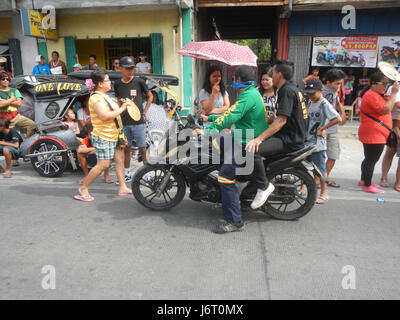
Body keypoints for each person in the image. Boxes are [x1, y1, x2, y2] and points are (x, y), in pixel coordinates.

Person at [195, 65, 271, 234]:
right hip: (240, 136)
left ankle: (235, 221)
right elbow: (231, 113)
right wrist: (210, 118)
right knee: (219, 142)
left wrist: (207, 130)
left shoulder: (248, 96)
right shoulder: (249, 93)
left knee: (224, 177)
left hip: (244, 142)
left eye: (234, 78)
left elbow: (231, 116)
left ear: (238, 80)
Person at [246, 60, 309, 207]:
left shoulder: (286, 91)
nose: (270, 75)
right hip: (293, 135)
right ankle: (256, 184)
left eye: (272, 73)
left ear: (279, 74)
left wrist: (259, 139)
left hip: (288, 139)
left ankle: (263, 187)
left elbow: (281, 120)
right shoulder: (292, 89)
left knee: (251, 149)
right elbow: (283, 116)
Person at [74, 69, 131, 201]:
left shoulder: (107, 96)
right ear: (100, 83)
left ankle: (123, 187)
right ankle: (83, 188)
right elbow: (104, 116)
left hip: (115, 134)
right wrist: (122, 108)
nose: (110, 82)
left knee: (119, 160)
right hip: (103, 136)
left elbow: (114, 114)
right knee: (103, 165)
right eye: (107, 80)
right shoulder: (96, 98)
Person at [358, 72, 399, 194]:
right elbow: (385, 109)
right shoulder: (372, 95)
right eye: (384, 84)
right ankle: (367, 185)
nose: (386, 86)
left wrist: (387, 96)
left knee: (368, 159)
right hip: (374, 134)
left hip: (374, 132)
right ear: (373, 84)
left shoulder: (374, 94)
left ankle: (364, 180)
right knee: (371, 160)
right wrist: (394, 94)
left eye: (387, 84)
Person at [113, 56, 152, 182]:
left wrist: (144, 112)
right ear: (120, 69)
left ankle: (146, 174)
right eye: (128, 69)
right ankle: (127, 173)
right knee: (126, 149)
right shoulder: (117, 84)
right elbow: (118, 100)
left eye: (132, 68)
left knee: (143, 148)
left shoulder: (139, 81)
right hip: (124, 123)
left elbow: (150, 96)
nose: (130, 71)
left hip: (138, 122)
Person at [303, 79, 341, 204]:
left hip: (318, 143)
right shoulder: (310, 102)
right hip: (308, 141)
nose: (310, 95)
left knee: (320, 170)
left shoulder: (324, 104)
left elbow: (337, 119)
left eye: (313, 93)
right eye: (308, 93)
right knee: (304, 166)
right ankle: (302, 187)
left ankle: (324, 193)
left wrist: (323, 129)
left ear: (321, 91)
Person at [321, 68, 346, 188]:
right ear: (328, 82)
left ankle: (324, 178)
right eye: (337, 83)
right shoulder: (320, 91)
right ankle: (316, 180)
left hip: (333, 128)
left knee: (333, 155)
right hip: (321, 129)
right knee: (318, 156)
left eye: (340, 83)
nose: (339, 86)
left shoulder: (335, 91)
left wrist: (342, 112)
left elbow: (336, 103)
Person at [0, 71, 36, 141]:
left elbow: (19, 103)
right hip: (4, 119)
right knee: (10, 137)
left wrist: (6, 101)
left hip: (16, 116)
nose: (6, 81)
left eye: (7, 79)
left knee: (32, 125)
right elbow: (1, 105)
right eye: (3, 79)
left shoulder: (14, 90)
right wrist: (12, 99)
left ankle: (25, 144)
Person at [380, 82, 400, 191]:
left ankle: (398, 181)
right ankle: (384, 177)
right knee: (390, 151)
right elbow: (395, 104)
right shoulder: (394, 87)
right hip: (393, 123)